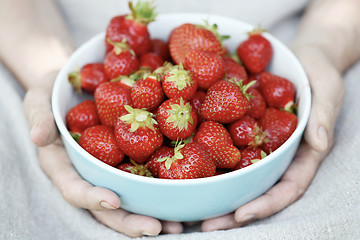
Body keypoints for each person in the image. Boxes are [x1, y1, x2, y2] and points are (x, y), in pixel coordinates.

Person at [0, 0, 359, 238]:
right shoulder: (153, 88)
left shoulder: (213, 83)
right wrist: (47, 68)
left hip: (303, 35)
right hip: (53, 40)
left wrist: (326, 43)